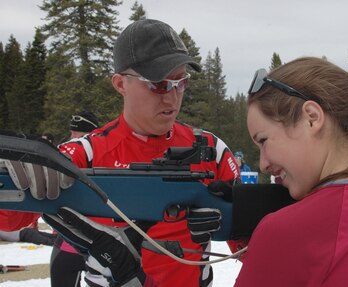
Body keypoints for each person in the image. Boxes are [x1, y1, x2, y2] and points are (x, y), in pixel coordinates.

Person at [45, 56, 348, 286]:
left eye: (264, 140)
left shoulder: (291, 230)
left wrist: (127, 276)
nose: (262, 164)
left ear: (312, 118)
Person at [2, 19, 239, 287]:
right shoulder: (84, 154)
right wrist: (19, 169)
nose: (172, 98)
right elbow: (11, 220)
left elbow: (252, 243)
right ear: (120, 84)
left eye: (180, 82)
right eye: (158, 84)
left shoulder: (211, 150)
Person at [49, 110, 100, 287]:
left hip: (96, 238)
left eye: (78, 133)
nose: (72, 137)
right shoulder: (68, 152)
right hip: (68, 236)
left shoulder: (99, 154)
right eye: (72, 133)